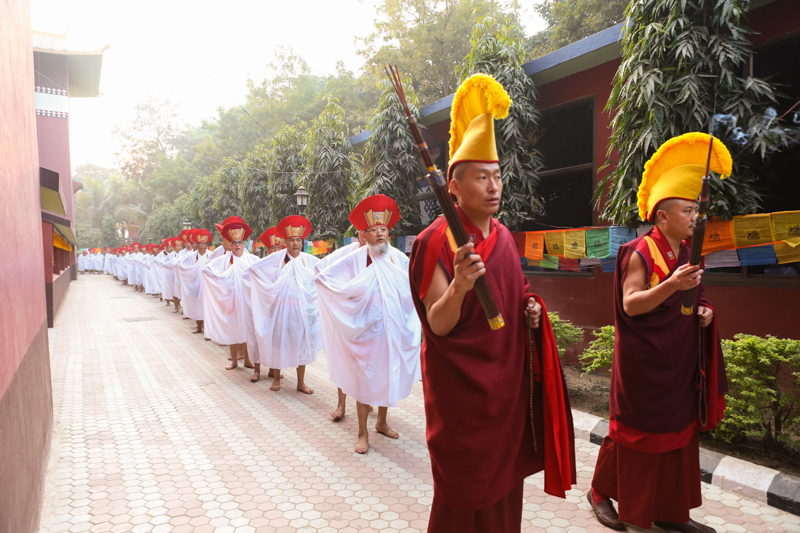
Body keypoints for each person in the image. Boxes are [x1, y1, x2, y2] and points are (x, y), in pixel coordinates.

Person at [408, 74, 575, 532]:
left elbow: (517, 295)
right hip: (463, 397)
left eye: (498, 176)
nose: (494, 185)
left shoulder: (502, 237)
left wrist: (532, 310)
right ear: (454, 188)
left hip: (505, 391)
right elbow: (437, 325)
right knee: (464, 494)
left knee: (504, 491)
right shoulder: (434, 241)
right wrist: (461, 285)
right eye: (481, 177)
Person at [588, 132, 730, 533]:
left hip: (677, 361)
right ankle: (614, 500)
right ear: (662, 216)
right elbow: (631, 304)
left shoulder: (686, 254)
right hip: (644, 365)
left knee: (676, 436)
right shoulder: (640, 251)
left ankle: (670, 510)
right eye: (687, 211)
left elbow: (694, 299)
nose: (694, 218)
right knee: (637, 436)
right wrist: (672, 285)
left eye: (695, 211)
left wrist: (703, 310)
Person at [316, 195, 422, 454]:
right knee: (365, 381)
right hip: (365, 332)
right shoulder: (356, 258)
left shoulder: (397, 258)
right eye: (373, 230)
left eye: (383, 229)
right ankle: (362, 433)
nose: (379, 234)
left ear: (389, 232)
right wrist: (348, 305)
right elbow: (324, 277)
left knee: (386, 376)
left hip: (392, 330)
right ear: (364, 235)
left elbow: (415, 281)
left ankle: (382, 423)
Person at [249, 215, 320, 393]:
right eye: (291, 240)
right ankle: (276, 378)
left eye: (298, 240)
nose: (295, 244)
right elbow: (254, 270)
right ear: (285, 242)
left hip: (302, 309)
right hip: (281, 309)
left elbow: (323, 272)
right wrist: (267, 290)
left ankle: (300, 382)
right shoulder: (277, 259)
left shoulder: (308, 260)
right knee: (279, 342)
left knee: (301, 344)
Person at [314, 230, 366, 420]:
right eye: (364, 232)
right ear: (360, 234)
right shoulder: (347, 253)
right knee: (344, 359)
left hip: (371, 318)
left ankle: (367, 401)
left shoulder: (382, 255)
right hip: (346, 315)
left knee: (370, 363)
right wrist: (338, 294)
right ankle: (341, 405)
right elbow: (321, 269)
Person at [202, 218, 258, 371]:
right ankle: (234, 361)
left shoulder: (252, 259)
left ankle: (248, 359)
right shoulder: (223, 260)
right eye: (234, 243)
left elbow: (262, 274)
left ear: (244, 243)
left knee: (248, 330)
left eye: (240, 242)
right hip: (230, 301)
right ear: (230, 245)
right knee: (232, 329)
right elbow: (206, 270)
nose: (237, 245)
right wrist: (222, 281)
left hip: (247, 301)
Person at [177, 228, 212, 334]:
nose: (202, 245)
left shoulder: (211, 255)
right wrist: (190, 273)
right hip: (196, 285)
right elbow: (181, 266)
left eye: (204, 243)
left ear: (207, 245)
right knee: (197, 306)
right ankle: (199, 327)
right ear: (197, 244)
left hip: (207, 286)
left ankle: (208, 328)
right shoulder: (191, 256)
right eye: (200, 243)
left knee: (207, 307)